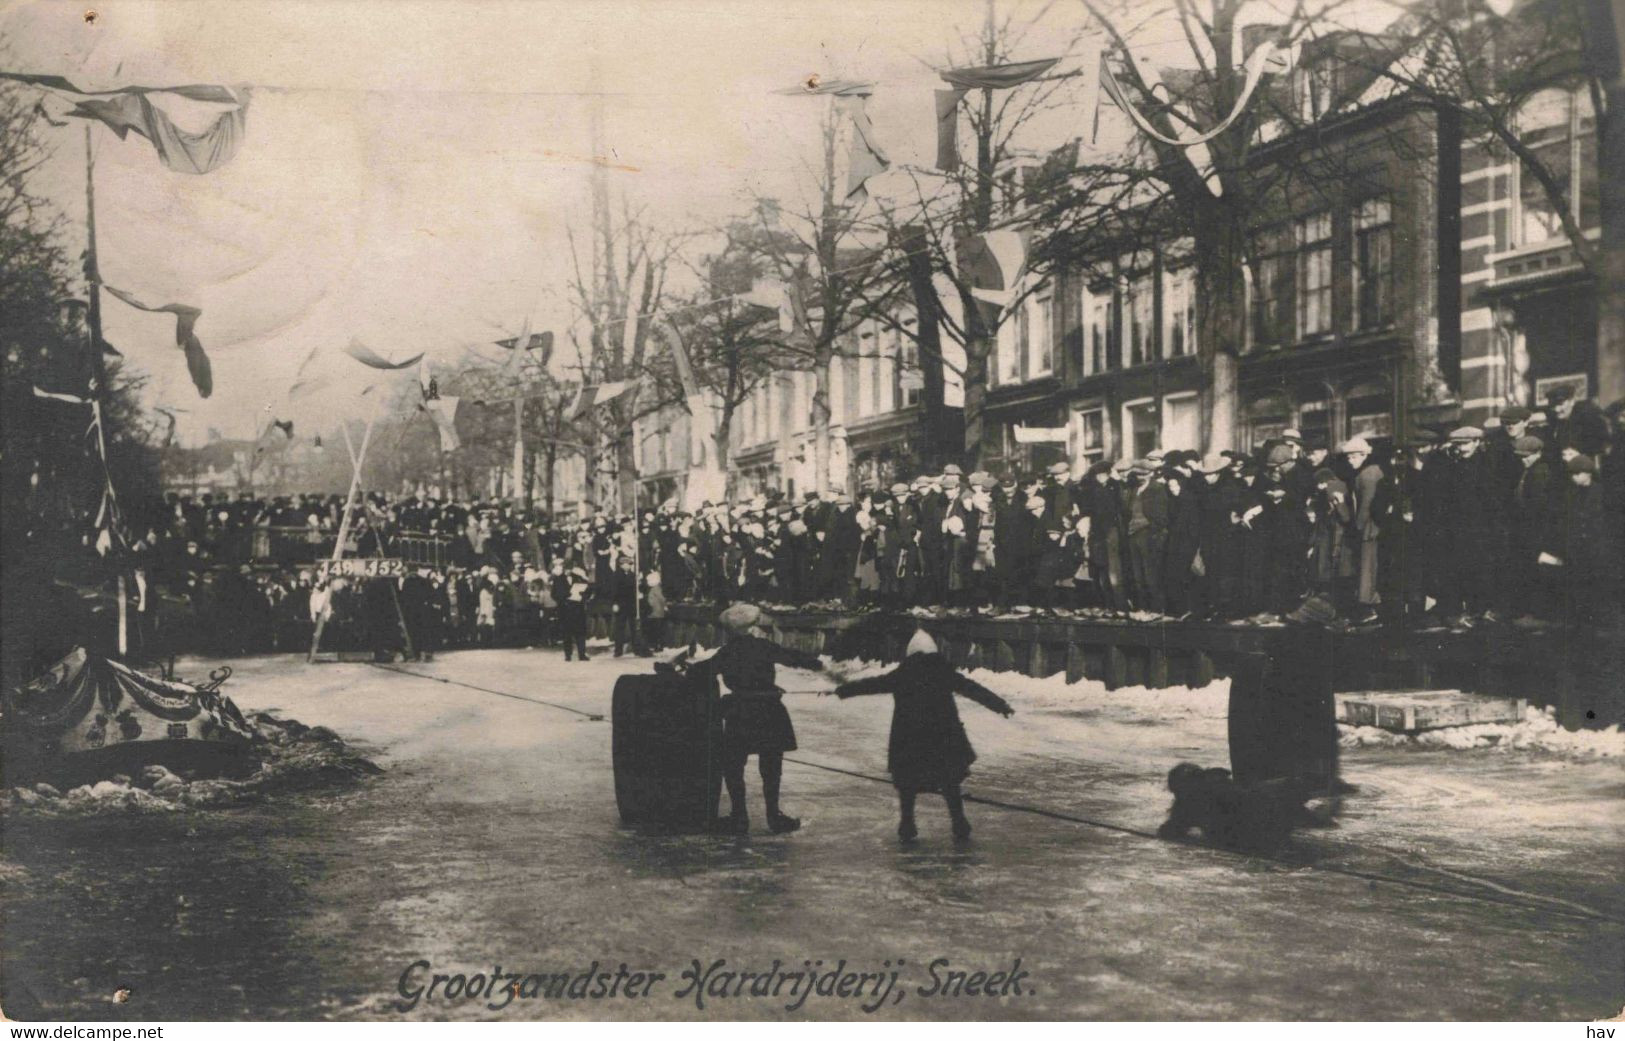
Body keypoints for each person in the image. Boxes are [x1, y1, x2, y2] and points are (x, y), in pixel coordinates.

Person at [832, 629, 1013, 841]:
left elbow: (873, 684)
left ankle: (907, 824)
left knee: (907, 784)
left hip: (909, 739)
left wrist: (843, 690)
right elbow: (972, 689)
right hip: (943, 737)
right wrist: (1000, 705)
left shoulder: (902, 674)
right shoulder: (943, 672)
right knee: (950, 782)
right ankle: (959, 822)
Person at [689, 602, 826, 834]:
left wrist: (681, 668)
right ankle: (774, 816)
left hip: (740, 712)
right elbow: (791, 656)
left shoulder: (727, 652)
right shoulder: (764, 647)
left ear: (730, 630)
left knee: (733, 766)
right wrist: (817, 664)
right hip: (769, 710)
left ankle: (739, 816)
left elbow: (702, 671)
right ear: (752, 626)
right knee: (771, 766)